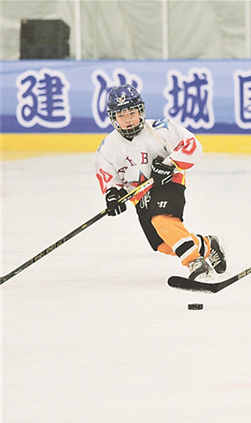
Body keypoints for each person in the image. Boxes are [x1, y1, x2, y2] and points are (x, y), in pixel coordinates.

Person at [94, 84, 226, 281]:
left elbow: (193, 146)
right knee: (163, 244)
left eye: (131, 113)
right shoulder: (108, 148)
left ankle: (195, 263)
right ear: (113, 118)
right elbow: (108, 176)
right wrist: (113, 194)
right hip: (140, 195)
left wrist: (169, 165)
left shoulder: (161, 129)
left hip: (169, 182)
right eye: (121, 115)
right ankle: (207, 245)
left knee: (161, 220)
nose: (128, 119)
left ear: (141, 111)